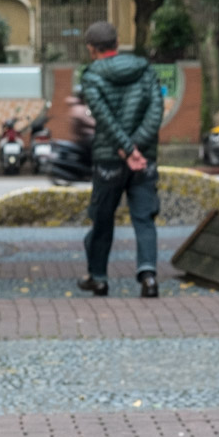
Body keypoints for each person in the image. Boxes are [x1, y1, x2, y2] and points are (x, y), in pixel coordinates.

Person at [77, 21, 164, 298]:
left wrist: (125, 149)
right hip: (144, 157)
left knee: (102, 218)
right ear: (116, 43)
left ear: (92, 48)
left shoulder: (91, 76)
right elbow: (156, 110)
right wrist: (136, 148)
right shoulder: (145, 69)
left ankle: (98, 277)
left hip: (109, 159)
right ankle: (148, 277)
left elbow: (103, 117)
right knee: (144, 217)